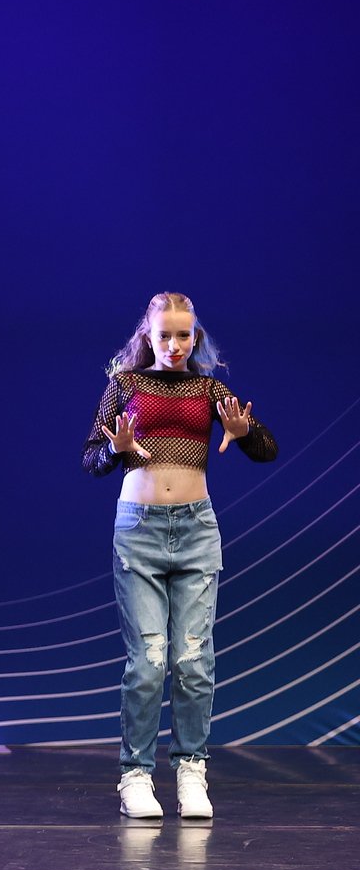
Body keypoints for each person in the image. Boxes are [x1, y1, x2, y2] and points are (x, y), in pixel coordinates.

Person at [82, 292, 276, 822]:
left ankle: (192, 771)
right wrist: (116, 450)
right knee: (148, 662)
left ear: (197, 337)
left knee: (193, 661)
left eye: (184, 335)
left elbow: (266, 449)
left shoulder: (209, 388)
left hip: (195, 530)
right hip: (139, 531)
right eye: (164, 335)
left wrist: (244, 431)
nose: (174, 344)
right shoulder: (125, 385)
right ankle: (136, 775)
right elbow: (90, 460)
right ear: (147, 336)